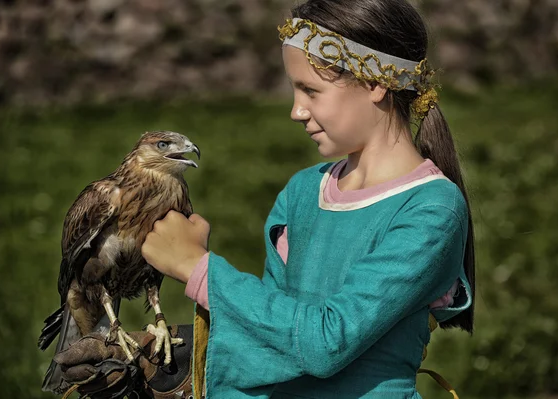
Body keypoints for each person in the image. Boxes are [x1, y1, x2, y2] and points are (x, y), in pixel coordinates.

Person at [52, 0, 475, 398]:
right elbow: (274, 334)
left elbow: (325, 342)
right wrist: (184, 364)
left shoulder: (431, 209)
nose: (296, 110)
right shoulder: (303, 192)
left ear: (373, 84)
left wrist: (196, 267)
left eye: (310, 91)